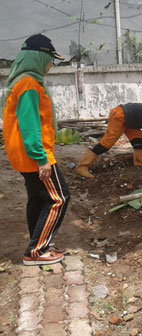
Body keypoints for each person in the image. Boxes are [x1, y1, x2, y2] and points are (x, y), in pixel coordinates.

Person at [1, 34, 70, 265]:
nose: (51, 65)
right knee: (59, 198)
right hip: (34, 156)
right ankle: (37, 251)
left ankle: (38, 243)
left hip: (25, 155)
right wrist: (42, 158)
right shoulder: (29, 85)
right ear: (39, 58)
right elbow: (29, 125)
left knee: (38, 199)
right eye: (49, 59)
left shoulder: (22, 82)